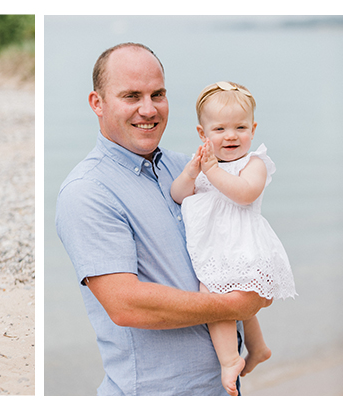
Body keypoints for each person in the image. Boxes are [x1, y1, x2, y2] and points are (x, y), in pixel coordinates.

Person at [54, 42, 270, 395]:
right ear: (97, 103)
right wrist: (236, 304)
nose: (148, 109)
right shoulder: (87, 191)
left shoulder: (185, 166)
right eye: (131, 95)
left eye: (158, 94)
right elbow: (126, 304)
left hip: (221, 389)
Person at [169, 81, 294, 395]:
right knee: (232, 296)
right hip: (217, 246)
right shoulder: (203, 165)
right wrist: (191, 173)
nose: (231, 135)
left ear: (252, 129)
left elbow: (245, 194)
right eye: (220, 129)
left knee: (215, 298)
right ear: (203, 134)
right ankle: (258, 346)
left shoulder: (254, 163)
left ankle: (229, 360)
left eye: (240, 127)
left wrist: (212, 172)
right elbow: (179, 195)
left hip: (244, 243)